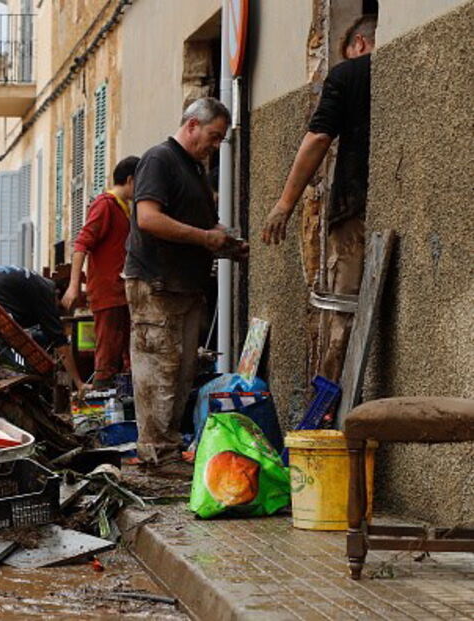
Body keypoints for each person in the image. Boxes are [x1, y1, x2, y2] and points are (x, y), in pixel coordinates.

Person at [124, 97, 248, 467]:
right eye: (212, 136)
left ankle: (166, 452)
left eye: (220, 139)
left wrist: (223, 242)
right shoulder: (160, 160)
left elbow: (197, 227)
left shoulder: (192, 169)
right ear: (191, 125)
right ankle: (156, 455)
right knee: (160, 374)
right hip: (157, 286)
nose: (215, 146)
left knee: (179, 375)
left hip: (184, 288)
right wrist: (204, 238)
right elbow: (148, 219)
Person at [261, 15, 376, 381]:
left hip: (354, 210)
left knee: (340, 312)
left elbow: (318, 138)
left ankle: (327, 408)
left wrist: (284, 204)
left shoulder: (349, 75)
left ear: (359, 43)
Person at [62, 156, 139, 388]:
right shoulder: (105, 205)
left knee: (124, 357)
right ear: (130, 180)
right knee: (107, 357)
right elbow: (81, 244)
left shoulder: (124, 209)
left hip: (121, 293)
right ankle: (99, 409)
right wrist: (74, 286)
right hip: (108, 293)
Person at [0, 265, 89, 395]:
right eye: (59, 308)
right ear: (57, 294)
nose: (56, 313)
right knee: (12, 361)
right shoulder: (46, 292)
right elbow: (60, 343)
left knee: (34, 337)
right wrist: (78, 383)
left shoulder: (36, 283)